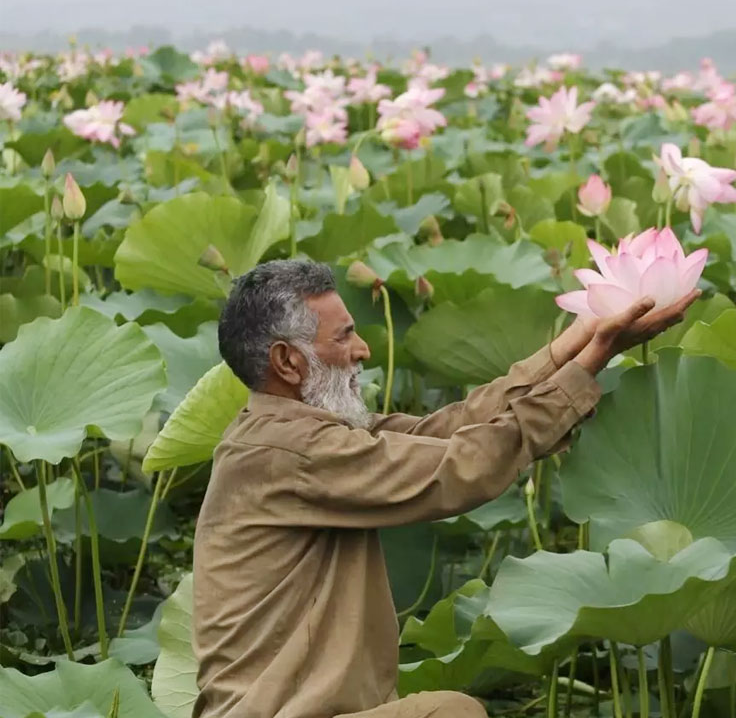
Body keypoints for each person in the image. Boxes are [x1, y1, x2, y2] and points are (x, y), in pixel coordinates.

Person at [194, 259, 697, 718]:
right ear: (288, 362)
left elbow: (448, 432)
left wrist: (577, 344)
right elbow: (458, 467)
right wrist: (590, 365)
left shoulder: (299, 436)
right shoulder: (291, 454)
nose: (363, 350)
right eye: (344, 337)